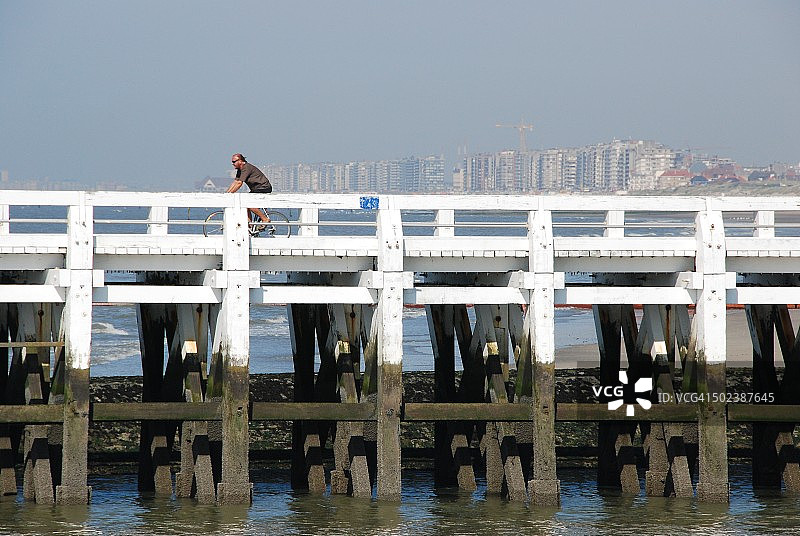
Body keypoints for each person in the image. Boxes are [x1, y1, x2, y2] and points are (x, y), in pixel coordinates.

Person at [227, 153, 272, 232]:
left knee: (248, 203)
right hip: (256, 189)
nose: (232, 164)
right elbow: (235, 182)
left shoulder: (246, 168)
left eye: (234, 162)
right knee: (246, 204)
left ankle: (265, 219)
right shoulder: (240, 170)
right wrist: (226, 194)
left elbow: (239, 183)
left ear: (240, 161)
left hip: (263, 187)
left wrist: (230, 194)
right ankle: (250, 226)